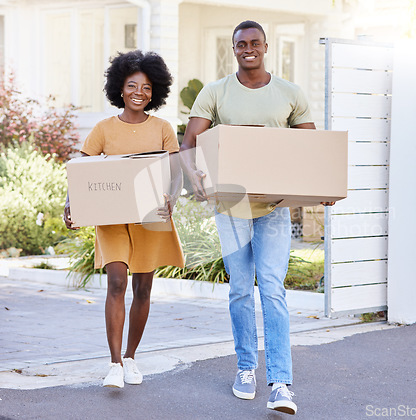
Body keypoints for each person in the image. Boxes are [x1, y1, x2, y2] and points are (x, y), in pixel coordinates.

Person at [180, 20, 321, 415]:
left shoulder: (289, 93)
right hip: (231, 206)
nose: (248, 49)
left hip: (273, 207)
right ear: (234, 48)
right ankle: (246, 368)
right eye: (241, 44)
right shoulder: (216, 92)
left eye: (255, 43)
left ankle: (280, 381)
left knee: (272, 289)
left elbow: (312, 150)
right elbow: (189, 143)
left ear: (265, 46)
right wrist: (196, 180)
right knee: (241, 288)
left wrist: (320, 191)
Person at [64, 50, 184, 388]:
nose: (139, 93)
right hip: (113, 219)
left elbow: (175, 175)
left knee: (143, 289)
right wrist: (70, 204)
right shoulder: (103, 129)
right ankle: (114, 363)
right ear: (120, 88)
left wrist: (171, 199)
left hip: (151, 217)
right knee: (117, 282)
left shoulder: (162, 128)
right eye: (133, 86)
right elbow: (81, 174)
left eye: (147, 88)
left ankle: (131, 357)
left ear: (154, 92)